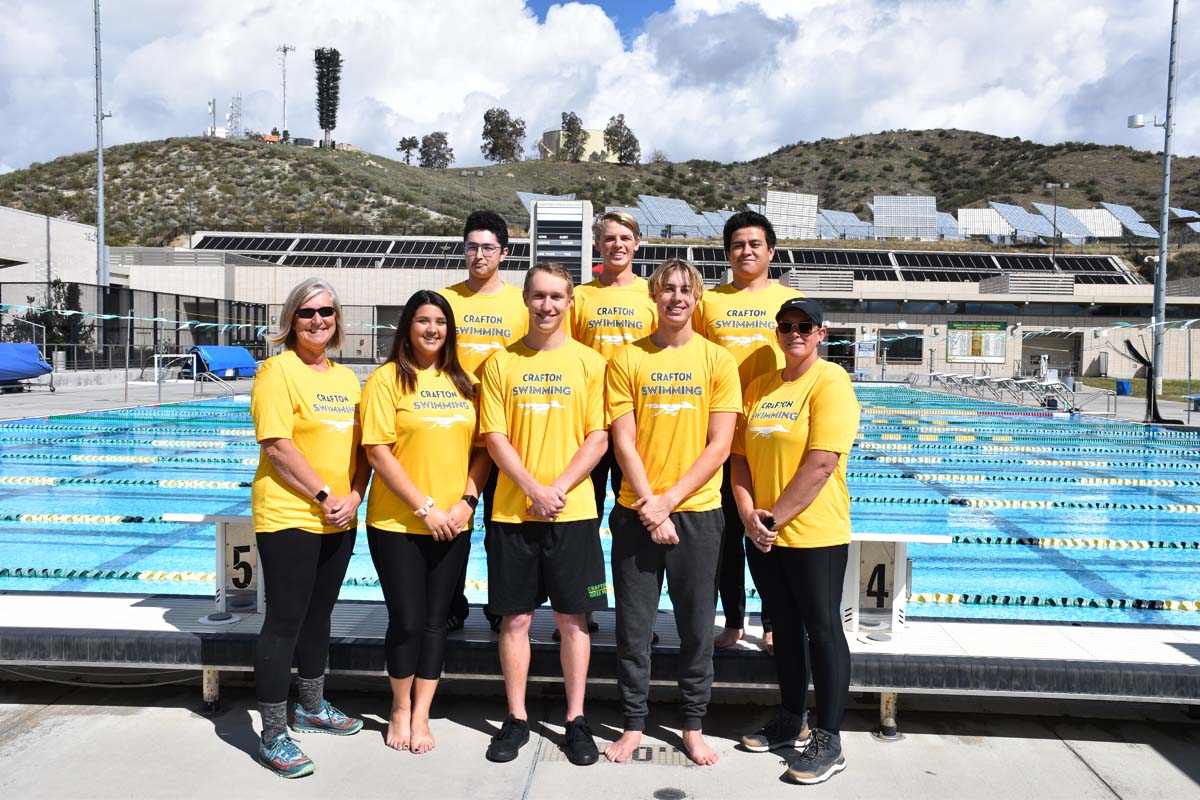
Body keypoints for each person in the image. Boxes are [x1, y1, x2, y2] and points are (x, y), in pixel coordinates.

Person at [603, 259, 739, 767]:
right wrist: (650, 506)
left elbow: (719, 446)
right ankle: (634, 722)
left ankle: (692, 723)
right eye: (667, 289)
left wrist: (668, 502)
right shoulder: (627, 359)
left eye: (685, 289)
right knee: (633, 627)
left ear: (697, 298)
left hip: (697, 512)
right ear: (653, 297)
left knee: (697, 624)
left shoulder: (718, 362)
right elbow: (624, 441)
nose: (676, 297)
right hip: (636, 511)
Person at [479, 262, 609, 766]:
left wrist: (555, 489)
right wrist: (532, 487)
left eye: (557, 296)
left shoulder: (590, 364)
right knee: (515, 620)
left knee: (575, 621)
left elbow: (598, 437)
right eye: (538, 296)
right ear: (525, 300)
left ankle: (576, 719)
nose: (547, 305)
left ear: (570, 302)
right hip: (513, 514)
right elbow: (494, 437)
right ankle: (516, 718)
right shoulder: (499, 363)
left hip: (573, 513)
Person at [731, 297, 860, 786]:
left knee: (822, 629)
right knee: (783, 627)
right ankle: (790, 717)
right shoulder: (761, 387)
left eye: (805, 326)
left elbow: (822, 462)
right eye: (785, 326)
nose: (794, 333)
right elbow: (739, 458)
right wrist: (749, 514)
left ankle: (829, 737)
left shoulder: (830, 382)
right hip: (764, 533)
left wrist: (772, 519)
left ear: (822, 334)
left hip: (813, 534)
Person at [360, 290, 491, 754]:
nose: (432, 329)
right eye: (422, 321)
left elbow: (483, 449)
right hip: (398, 523)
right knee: (408, 620)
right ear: (407, 328)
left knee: (436, 622)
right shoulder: (386, 381)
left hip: (454, 521)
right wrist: (425, 508)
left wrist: (467, 503)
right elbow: (377, 451)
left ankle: (422, 714)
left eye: (440, 322)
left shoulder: (466, 382)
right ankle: (398, 707)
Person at [250, 277, 369, 779]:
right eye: (306, 313)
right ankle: (274, 732)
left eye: (326, 312)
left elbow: (364, 450)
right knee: (286, 620)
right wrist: (324, 498)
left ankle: (312, 706)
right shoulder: (276, 373)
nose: (317, 320)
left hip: (338, 516)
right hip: (291, 515)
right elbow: (278, 448)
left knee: (320, 613)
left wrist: (354, 497)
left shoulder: (346, 379)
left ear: (336, 319)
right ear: (290, 320)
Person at [694, 210, 803, 654]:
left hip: (770, 432)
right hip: (720, 434)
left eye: (755, 244)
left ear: (771, 251)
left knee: (769, 529)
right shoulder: (709, 303)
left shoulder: (790, 299)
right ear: (727, 253)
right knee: (724, 537)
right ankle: (735, 621)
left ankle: (773, 622)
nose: (746, 251)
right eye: (738, 245)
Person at [440, 210, 528, 633]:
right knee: (454, 520)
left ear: (503, 253)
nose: (479, 255)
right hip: (455, 431)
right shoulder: (446, 299)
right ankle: (450, 602)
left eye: (487, 248)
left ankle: (501, 606)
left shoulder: (520, 303)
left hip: (507, 432)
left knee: (501, 526)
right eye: (471, 247)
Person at [570, 210, 658, 526]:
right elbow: (567, 358)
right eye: (609, 238)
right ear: (597, 244)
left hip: (637, 420)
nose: (617, 245)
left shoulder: (653, 296)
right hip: (590, 421)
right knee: (584, 511)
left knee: (635, 510)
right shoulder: (580, 296)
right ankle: (590, 577)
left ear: (637, 244)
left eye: (624, 238)